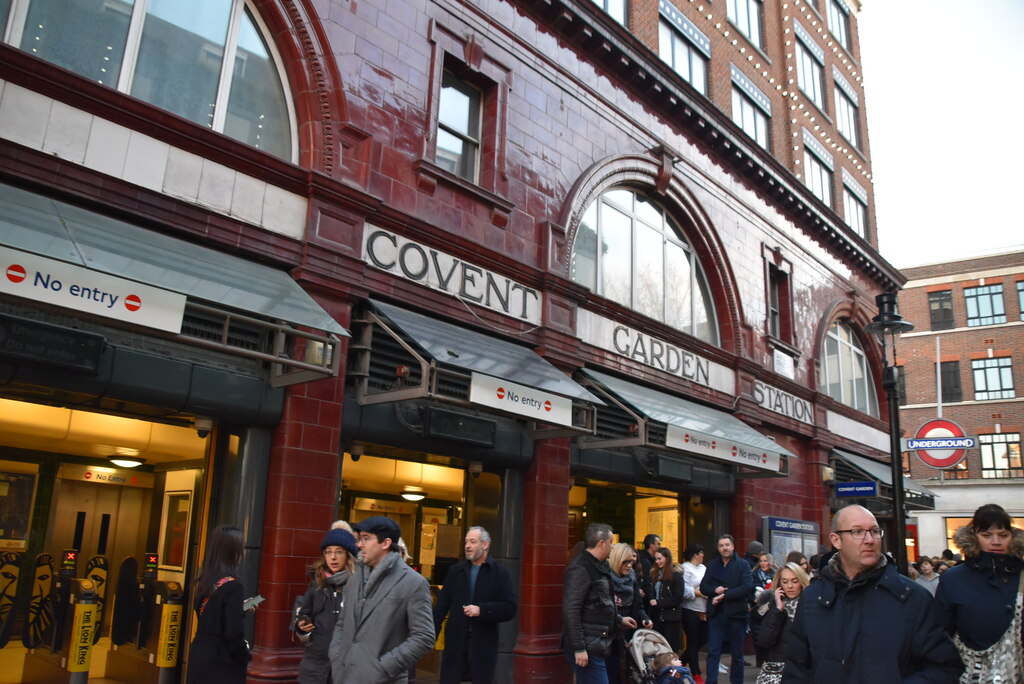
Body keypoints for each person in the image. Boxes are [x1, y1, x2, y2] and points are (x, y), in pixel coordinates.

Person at [784, 504, 963, 683]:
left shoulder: (912, 597)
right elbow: (796, 671)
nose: (869, 539)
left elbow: (944, 668)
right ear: (836, 540)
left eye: (875, 531)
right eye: (857, 532)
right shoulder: (813, 597)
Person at [329, 516, 435, 684]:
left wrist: (386, 666)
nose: (359, 544)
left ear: (385, 543)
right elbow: (343, 623)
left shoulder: (414, 583)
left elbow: (424, 637)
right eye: (360, 538)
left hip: (384, 679)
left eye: (366, 538)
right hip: (345, 676)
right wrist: (336, 654)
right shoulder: (355, 576)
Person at [935, 503, 1024, 682]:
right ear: (974, 537)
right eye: (987, 535)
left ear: (1012, 538)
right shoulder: (953, 579)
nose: (996, 541)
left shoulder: (1021, 575)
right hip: (968, 675)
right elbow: (940, 633)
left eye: (1003, 535)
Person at [432, 526, 517, 684]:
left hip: (483, 644)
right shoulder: (455, 571)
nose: (467, 546)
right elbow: (441, 607)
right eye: (466, 542)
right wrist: (430, 636)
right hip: (455, 643)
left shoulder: (500, 573)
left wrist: (482, 610)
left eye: (472, 541)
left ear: (485, 545)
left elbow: (510, 608)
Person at [562, 522, 633, 683]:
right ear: (602, 543)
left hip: (597, 643)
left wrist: (620, 620)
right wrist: (579, 648)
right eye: (611, 543)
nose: (612, 548)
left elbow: (601, 604)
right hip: (589, 645)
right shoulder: (581, 568)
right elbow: (571, 610)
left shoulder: (599, 566)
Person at [187, 525, 251, 684]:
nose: (243, 552)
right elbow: (234, 633)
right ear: (232, 551)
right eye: (241, 548)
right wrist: (245, 656)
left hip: (200, 655)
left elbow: (211, 617)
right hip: (222, 662)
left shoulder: (206, 581)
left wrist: (239, 609)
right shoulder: (234, 586)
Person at [293, 528, 358, 683]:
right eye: (328, 552)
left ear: (348, 555)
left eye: (339, 552)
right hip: (316, 666)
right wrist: (301, 627)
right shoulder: (317, 584)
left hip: (347, 666)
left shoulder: (358, 585)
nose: (333, 557)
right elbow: (304, 614)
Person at [699, 534, 752, 684]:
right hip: (717, 615)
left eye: (727, 545)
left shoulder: (743, 565)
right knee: (713, 652)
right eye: (721, 545)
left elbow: (747, 587)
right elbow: (704, 587)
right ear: (718, 548)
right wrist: (715, 590)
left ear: (733, 546)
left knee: (737, 655)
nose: (725, 548)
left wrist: (725, 595)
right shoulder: (712, 565)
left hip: (737, 615)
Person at [751, 562, 808, 684]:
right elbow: (765, 641)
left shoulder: (811, 605)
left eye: (794, 581)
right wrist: (778, 610)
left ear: (801, 581)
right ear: (779, 583)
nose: (790, 586)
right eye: (785, 581)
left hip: (803, 670)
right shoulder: (773, 604)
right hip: (776, 670)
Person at [608, 542, 653, 684]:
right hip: (611, 631)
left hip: (630, 629)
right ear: (616, 560)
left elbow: (638, 604)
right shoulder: (605, 579)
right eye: (625, 562)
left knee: (629, 671)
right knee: (613, 670)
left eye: (631, 562)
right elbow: (603, 609)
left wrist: (645, 618)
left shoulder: (632, 577)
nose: (629, 566)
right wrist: (620, 620)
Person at [648, 547, 685, 654]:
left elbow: (678, 598)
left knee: (670, 651)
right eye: (656, 559)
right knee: (658, 651)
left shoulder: (676, 575)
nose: (657, 562)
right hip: (657, 617)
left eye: (660, 559)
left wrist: (658, 602)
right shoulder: (655, 575)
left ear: (667, 558)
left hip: (671, 618)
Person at [680, 543, 707, 684]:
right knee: (692, 641)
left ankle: (681, 661)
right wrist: (698, 593)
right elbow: (684, 590)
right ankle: (696, 673)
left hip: (704, 610)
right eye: (701, 553)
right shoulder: (685, 568)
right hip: (689, 609)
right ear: (695, 554)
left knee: (701, 639)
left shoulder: (704, 568)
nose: (703, 555)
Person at [638, 534, 662, 600]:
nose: (660, 546)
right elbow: (646, 582)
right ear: (651, 545)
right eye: (658, 544)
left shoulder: (653, 560)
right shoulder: (644, 561)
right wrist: (651, 599)